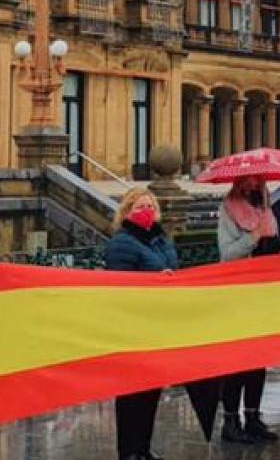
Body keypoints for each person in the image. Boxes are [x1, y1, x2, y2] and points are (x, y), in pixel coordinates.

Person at [104, 188, 178, 460]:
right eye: (140, 207)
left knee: (151, 389)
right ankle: (128, 451)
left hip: (157, 323)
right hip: (132, 326)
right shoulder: (122, 243)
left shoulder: (161, 239)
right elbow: (119, 285)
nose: (147, 211)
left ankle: (143, 448)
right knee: (131, 392)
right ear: (127, 212)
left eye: (150, 206)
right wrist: (155, 280)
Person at [216, 175, 280, 443]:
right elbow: (227, 254)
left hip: (262, 295)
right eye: (249, 181)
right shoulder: (228, 210)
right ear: (239, 183)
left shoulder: (266, 209)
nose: (255, 186)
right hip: (238, 295)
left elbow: (271, 244)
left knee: (259, 360)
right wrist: (254, 236)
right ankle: (230, 421)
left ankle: (253, 417)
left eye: (259, 181)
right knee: (238, 361)